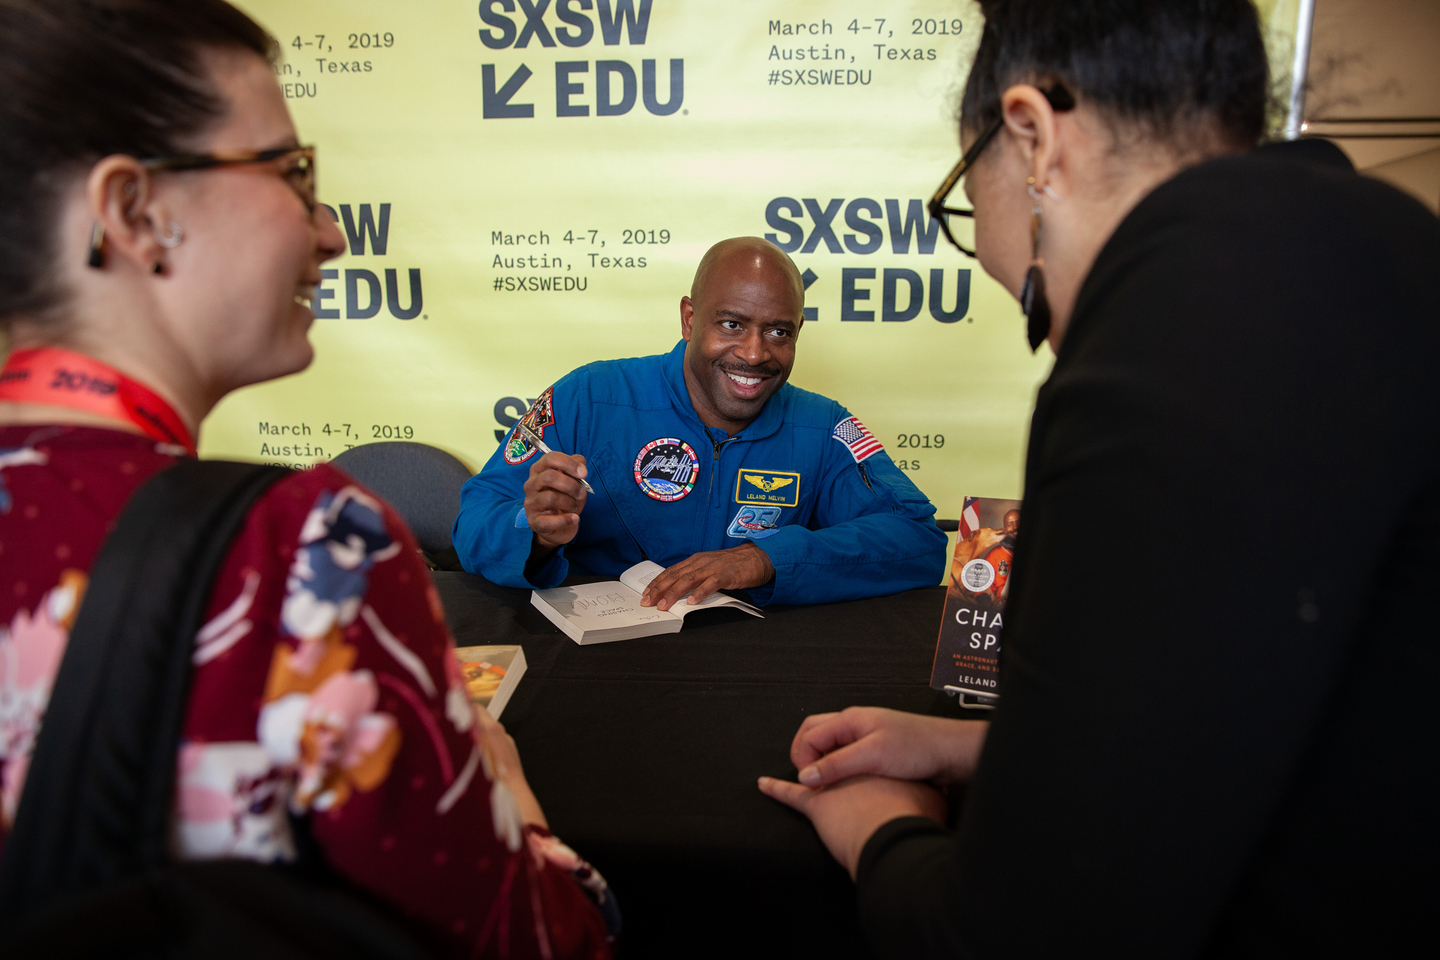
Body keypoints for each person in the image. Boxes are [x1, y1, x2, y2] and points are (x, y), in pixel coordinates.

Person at [759, 0, 1440, 956]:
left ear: (1033, 136)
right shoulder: (1388, 241)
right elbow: (1261, 715)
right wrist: (974, 746)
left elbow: (1023, 933)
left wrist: (880, 828)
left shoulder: (1176, 333)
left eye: (1033, 305)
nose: (1054, 341)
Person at [0, 1, 613, 956]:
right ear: (134, 211)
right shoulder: (303, 548)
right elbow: (539, 940)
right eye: (293, 175)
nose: (330, 234)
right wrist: (515, 805)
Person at [453, 237, 948, 609]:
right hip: (598, 657)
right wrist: (534, 533)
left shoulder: (824, 427)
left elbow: (919, 541)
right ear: (690, 319)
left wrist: (765, 559)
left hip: (754, 668)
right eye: (732, 324)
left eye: (778, 332)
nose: (753, 354)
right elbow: (475, 518)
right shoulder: (587, 397)